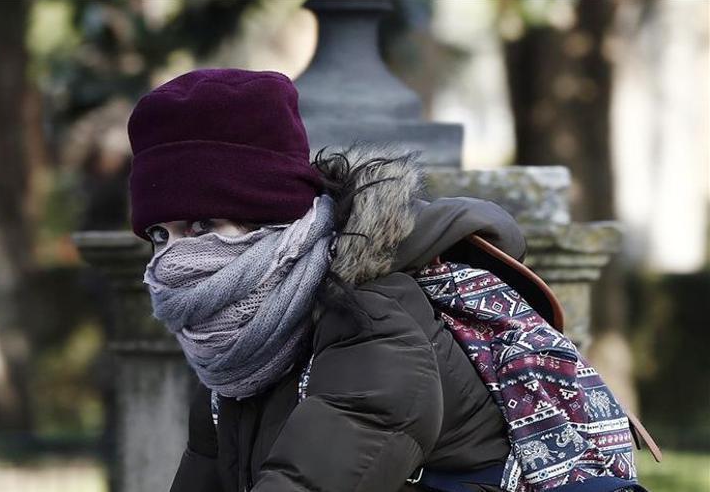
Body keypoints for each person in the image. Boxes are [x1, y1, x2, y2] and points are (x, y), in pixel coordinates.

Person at [127, 68, 538, 492]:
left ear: (271, 219)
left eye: (201, 225)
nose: (173, 257)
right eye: (159, 234)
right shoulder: (236, 356)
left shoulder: (372, 322)